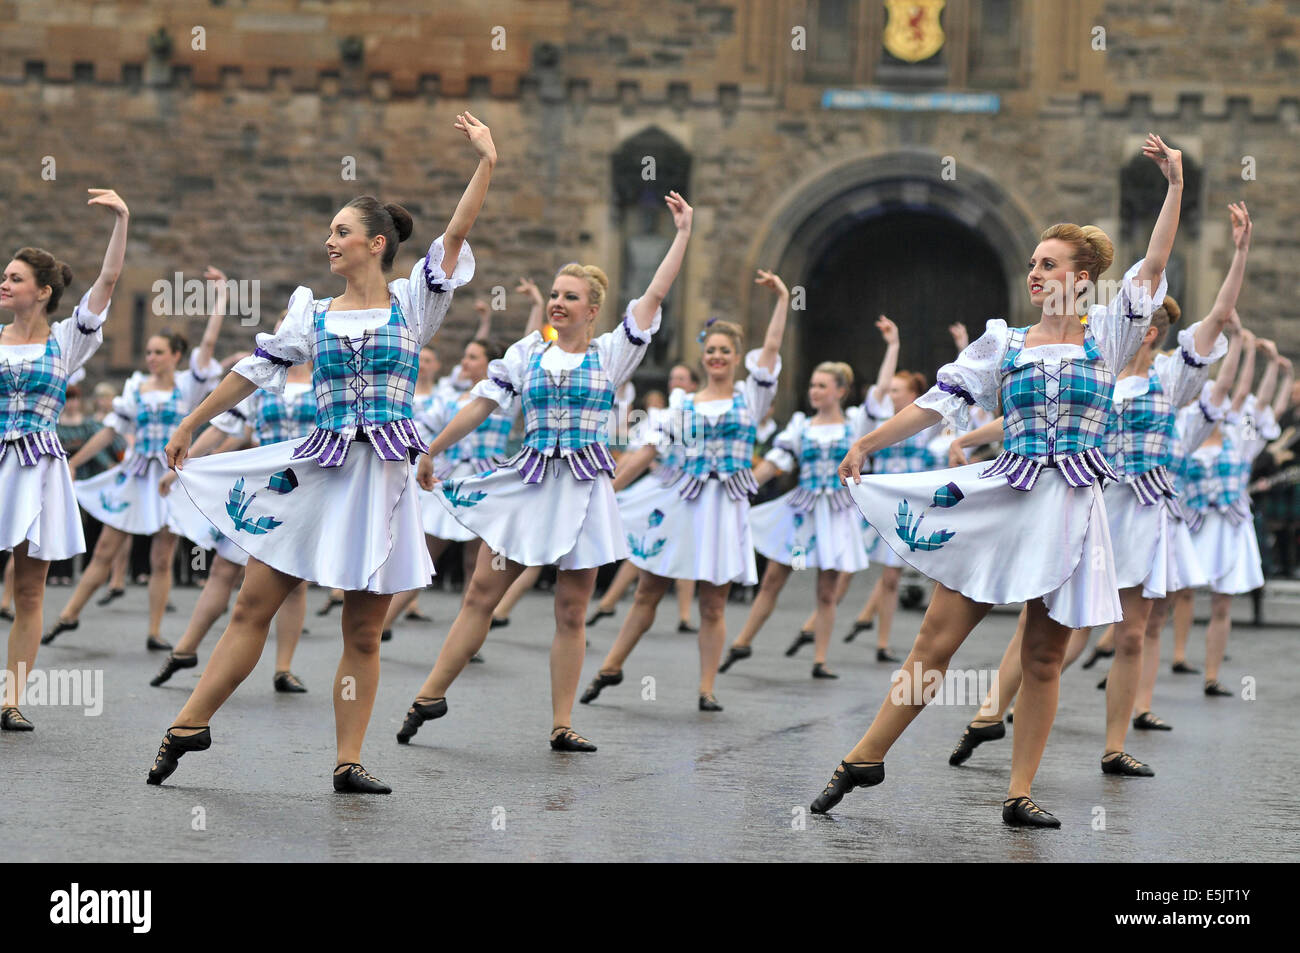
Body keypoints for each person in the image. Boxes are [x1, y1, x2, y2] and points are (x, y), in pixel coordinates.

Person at [808, 133, 1183, 827]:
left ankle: (1019, 790)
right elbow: (935, 405)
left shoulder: (1111, 333)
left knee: (1044, 656)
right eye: (1034, 263)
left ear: (1082, 277)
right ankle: (866, 754)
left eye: (1049, 264)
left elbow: (1153, 264)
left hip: (1070, 507)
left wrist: (1174, 187)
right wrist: (868, 437)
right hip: (1005, 501)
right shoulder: (1002, 342)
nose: (1036, 273)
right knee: (935, 642)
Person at [142, 111, 494, 794]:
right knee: (253, 604)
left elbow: (456, 234)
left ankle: (348, 759)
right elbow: (254, 368)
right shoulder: (312, 312)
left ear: (376, 243)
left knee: (363, 632)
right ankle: (189, 722)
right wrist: (192, 419)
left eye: (340, 231)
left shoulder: (414, 302)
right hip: (317, 470)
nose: (327, 241)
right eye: (330, 231)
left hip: (381, 478)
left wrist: (487, 162)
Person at [398, 191, 693, 753]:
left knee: (571, 609)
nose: (558, 303)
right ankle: (430, 693)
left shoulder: (613, 353)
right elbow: (482, 403)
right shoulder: (527, 352)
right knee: (481, 594)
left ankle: (562, 722)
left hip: (583, 489)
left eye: (570, 297)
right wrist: (431, 448)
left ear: (592, 310)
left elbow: (654, 295)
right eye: (555, 294)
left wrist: (680, 235)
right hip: (528, 485)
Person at [580, 267, 789, 712]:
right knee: (648, 590)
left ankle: (707, 688)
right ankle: (611, 666)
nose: (716, 357)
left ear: (736, 358)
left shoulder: (750, 399)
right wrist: (607, 491)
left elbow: (771, 350)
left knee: (713, 604)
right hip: (681, 505)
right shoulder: (681, 405)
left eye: (724, 351)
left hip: (725, 506)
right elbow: (644, 454)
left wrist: (783, 301)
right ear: (703, 358)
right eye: (710, 350)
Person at [43, 269, 228, 651]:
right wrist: (75, 464)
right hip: (137, 474)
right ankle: (69, 614)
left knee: (163, 557)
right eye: (148, 353)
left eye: (159, 352)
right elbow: (110, 431)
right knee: (107, 548)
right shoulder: (134, 389)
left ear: (176, 356)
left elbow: (209, 342)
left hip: (170, 477)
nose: (152, 358)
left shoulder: (188, 385)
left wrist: (222, 297)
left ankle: (155, 631)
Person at [1, 188, 130, 731]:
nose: (4, 284)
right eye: (4, 277)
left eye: (14, 279)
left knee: (31, 589)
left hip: (40, 469)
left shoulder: (67, 342)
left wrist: (122, 219)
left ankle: (9, 700)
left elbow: (108, 284)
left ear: (43, 291)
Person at [717, 361, 871, 677]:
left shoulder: (855, 426)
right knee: (775, 578)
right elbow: (773, 464)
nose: (814, 391)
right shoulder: (800, 426)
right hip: (801, 515)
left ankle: (820, 659)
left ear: (841, 391)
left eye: (822, 386)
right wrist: (741, 489)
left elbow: (880, 395)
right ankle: (742, 642)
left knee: (827, 589)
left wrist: (893, 347)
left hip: (835, 515)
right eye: (812, 385)